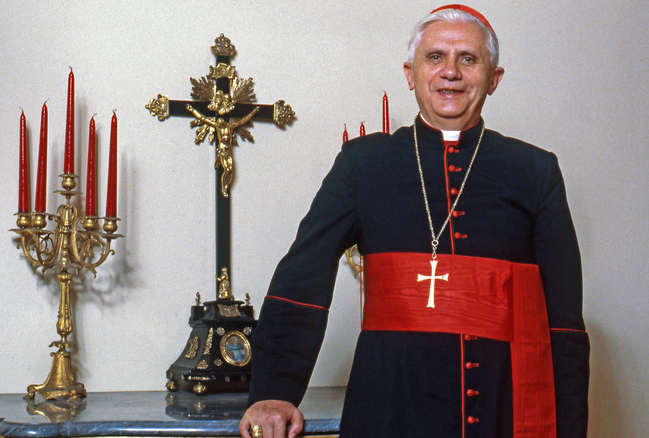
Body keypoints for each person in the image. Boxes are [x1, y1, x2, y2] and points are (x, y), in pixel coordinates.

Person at [240, 4, 589, 438]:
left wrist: (571, 428)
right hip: (389, 403)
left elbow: (564, 322)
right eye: (435, 57)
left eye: (468, 58)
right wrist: (274, 391)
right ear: (410, 74)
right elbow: (302, 278)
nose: (450, 73)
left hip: (502, 408)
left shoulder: (535, 171)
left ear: (493, 79)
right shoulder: (363, 165)